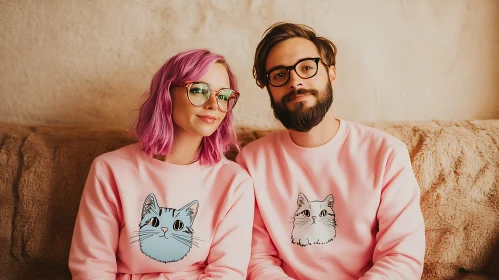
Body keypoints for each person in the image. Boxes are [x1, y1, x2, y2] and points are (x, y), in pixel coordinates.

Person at [236, 22, 425, 279]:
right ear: (270, 88)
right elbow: (257, 259)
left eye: (306, 67)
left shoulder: (387, 154)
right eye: (280, 74)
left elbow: (401, 257)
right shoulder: (252, 161)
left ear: (331, 73)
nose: (295, 81)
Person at [69, 49, 255, 279]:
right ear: (166, 93)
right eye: (198, 90)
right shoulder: (109, 170)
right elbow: (92, 266)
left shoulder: (236, 183)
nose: (213, 105)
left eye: (224, 96)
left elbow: (227, 273)